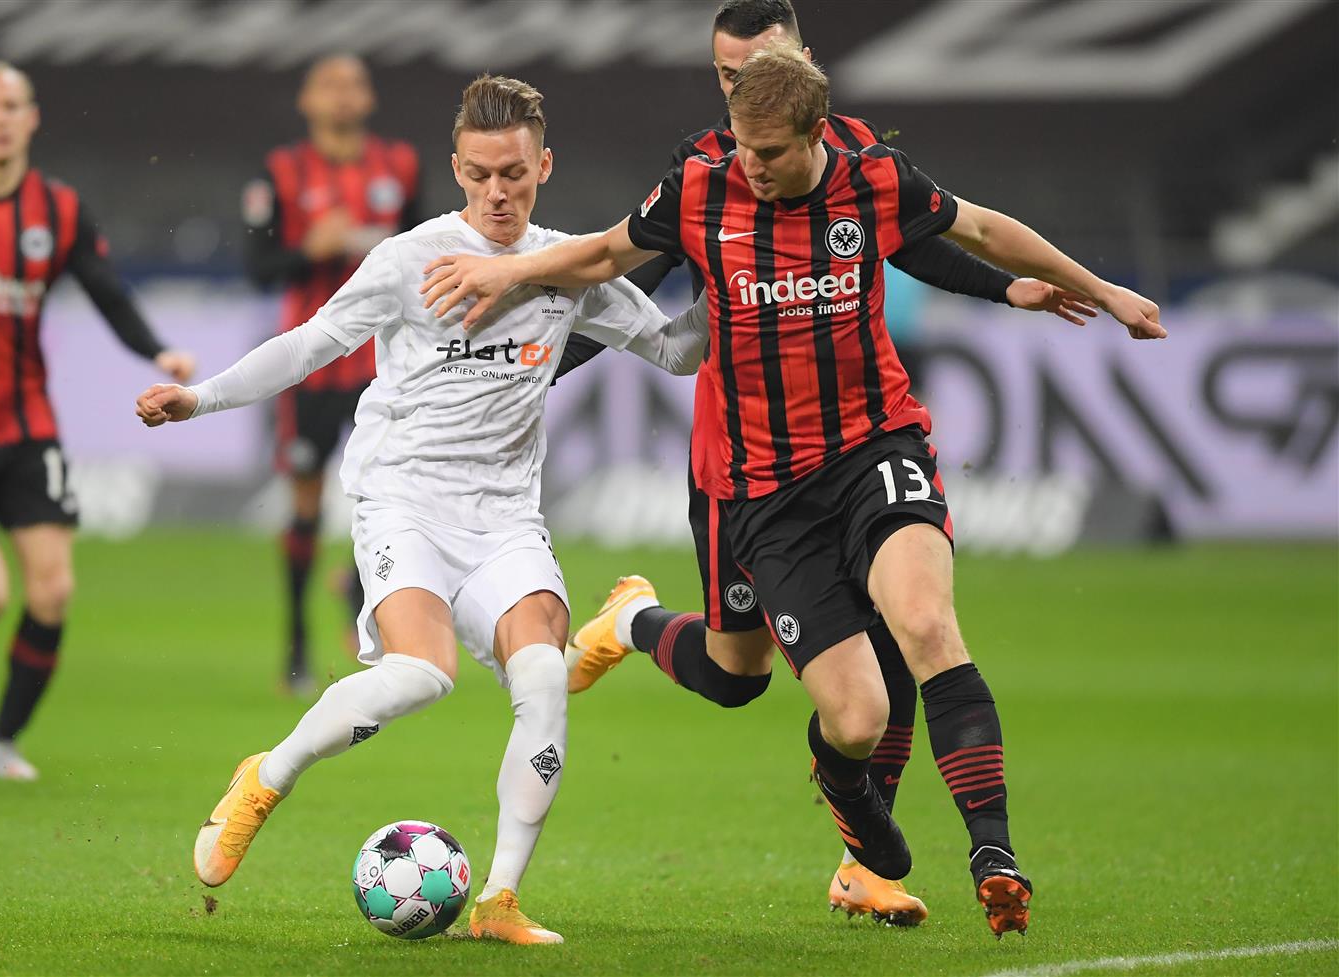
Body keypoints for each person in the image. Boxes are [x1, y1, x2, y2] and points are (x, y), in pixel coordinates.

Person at [419, 45, 1165, 937]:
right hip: (765, 488)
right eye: (740, 143)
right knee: (823, 706)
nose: (749, 164)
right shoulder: (701, 184)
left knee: (924, 624)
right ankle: (658, 639)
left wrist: (1100, 288)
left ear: (814, 133)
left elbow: (980, 228)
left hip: (875, 446)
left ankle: (993, 854)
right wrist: (509, 274)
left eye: (767, 152)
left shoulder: (873, 178)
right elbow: (612, 256)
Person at [553, 0, 1095, 926]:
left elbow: (929, 237)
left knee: (908, 632)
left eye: (756, 70)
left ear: (804, 64)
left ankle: (880, 865)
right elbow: (624, 277)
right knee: (737, 674)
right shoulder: (714, 170)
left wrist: (1016, 287)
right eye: (726, 80)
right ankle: (633, 620)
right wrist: (538, 375)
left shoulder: (860, 160)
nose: (741, 96)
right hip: (743, 467)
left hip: (866, 442)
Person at [135, 74, 709, 945]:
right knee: (423, 673)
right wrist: (200, 397)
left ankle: (499, 902)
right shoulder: (412, 258)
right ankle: (266, 776)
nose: (497, 192)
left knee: (545, 678)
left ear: (543, 165)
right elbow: (311, 341)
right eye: (479, 173)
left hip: (506, 513)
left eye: (514, 172)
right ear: (455, 168)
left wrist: (733, 274)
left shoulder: (568, 265)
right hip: (402, 496)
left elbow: (674, 352)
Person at [0, 59, 195, 781]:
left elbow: (106, 291)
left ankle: (0, 742)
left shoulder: (58, 211)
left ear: (31, 118)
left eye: (10, 105)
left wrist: (157, 349)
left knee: (52, 589)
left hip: (27, 428)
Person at [243, 54, 424, 696]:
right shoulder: (282, 171)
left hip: (386, 359)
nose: (343, 97)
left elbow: (431, 246)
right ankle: (295, 642)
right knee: (306, 498)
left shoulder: (399, 165)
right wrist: (308, 250)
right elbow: (259, 267)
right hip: (313, 363)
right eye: (329, 85)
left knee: (387, 486)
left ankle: (358, 592)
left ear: (369, 97)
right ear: (307, 100)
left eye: (353, 85)